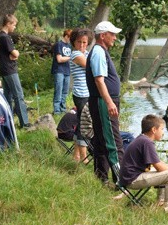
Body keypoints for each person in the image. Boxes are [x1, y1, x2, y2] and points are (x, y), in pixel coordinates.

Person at [119, 114, 168, 208]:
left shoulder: (143, 139)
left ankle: (161, 202)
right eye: (162, 129)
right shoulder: (147, 142)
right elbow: (158, 166)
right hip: (132, 180)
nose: (163, 133)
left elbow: (157, 162)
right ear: (154, 130)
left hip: (129, 177)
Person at [86, 21, 124, 185]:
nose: (115, 37)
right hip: (103, 101)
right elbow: (99, 81)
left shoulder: (99, 51)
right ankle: (122, 181)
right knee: (114, 142)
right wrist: (109, 103)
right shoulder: (99, 52)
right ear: (103, 35)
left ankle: (101, 179)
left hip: (103, 100)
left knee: (102, 141)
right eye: (112, 34)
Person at [0, 14, 31, 128]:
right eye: (14, 25)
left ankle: (8, 121)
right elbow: (15, 53)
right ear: (8, 24)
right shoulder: (5, 37)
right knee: (18, 95)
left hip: (5, 70)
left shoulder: (2, 36)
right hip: (10, 70)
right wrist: (15, 54)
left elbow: (13, 54)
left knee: (8, 96)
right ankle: (25, 123)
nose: (14, 27)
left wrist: (14, 54)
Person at [70, 28, 94, 164]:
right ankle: (84, 157)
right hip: (81, 94)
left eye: (85, 42)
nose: (82, 45)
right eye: (79, 42)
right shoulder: (76, 55)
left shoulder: (86, 53)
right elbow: (91, 66)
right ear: (74, 42)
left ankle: (76, 156)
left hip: (86, 93)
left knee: (80, 123)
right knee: (85, 125)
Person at [51, 29, 72, 115]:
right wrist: (71, 57)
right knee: (58, 90)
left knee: (65, 91)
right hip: (59, 70)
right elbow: (59, 59)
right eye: (70, 38)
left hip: (67, 70)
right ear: (66, 36)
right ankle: (56, 110)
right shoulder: (59, 44)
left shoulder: (69, 46)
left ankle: (63, 108)